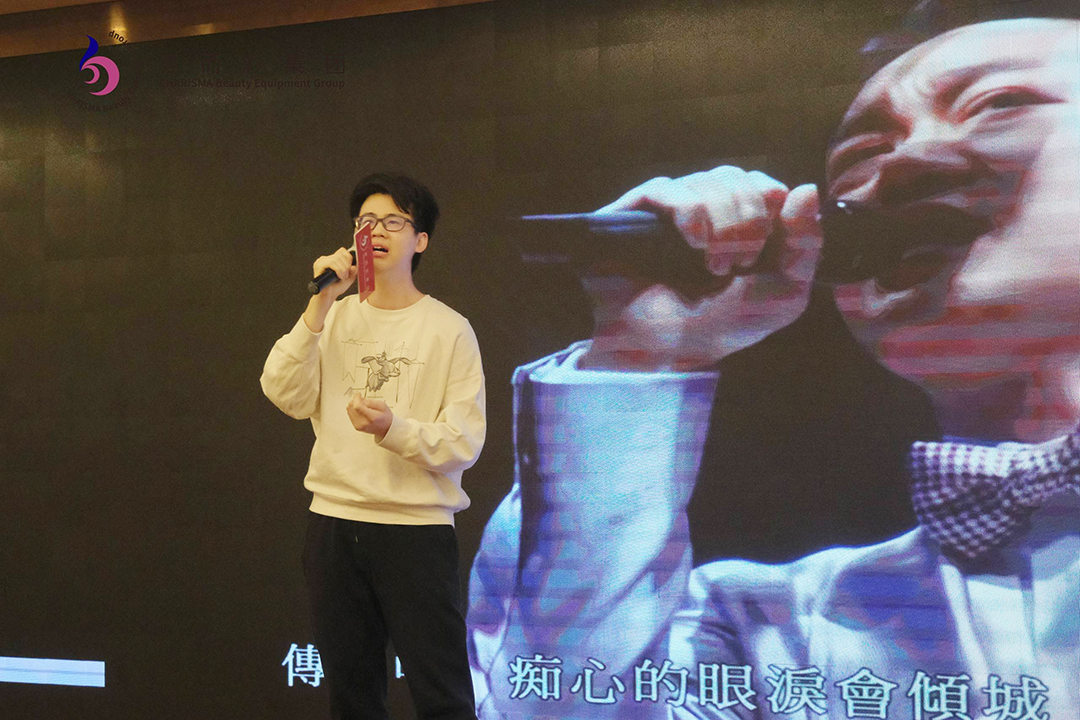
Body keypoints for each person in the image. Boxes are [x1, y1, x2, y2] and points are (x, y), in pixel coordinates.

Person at [467, 18, 1078, 719]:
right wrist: (641, 355)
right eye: (863, 155)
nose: (903, 165)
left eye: (1001, 104)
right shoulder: (769, 630)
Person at [261, 173, 486, 720]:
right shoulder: (332, 316)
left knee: (442, 694)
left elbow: (464, 441)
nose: (376, 231)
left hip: (415, 531)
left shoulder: (450, 329)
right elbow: (285, 393)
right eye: (365, 222)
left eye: (392, 221)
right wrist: (319, 306)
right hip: (335, 527)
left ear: (421, 239)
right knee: (352, 696)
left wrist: (393, 429)